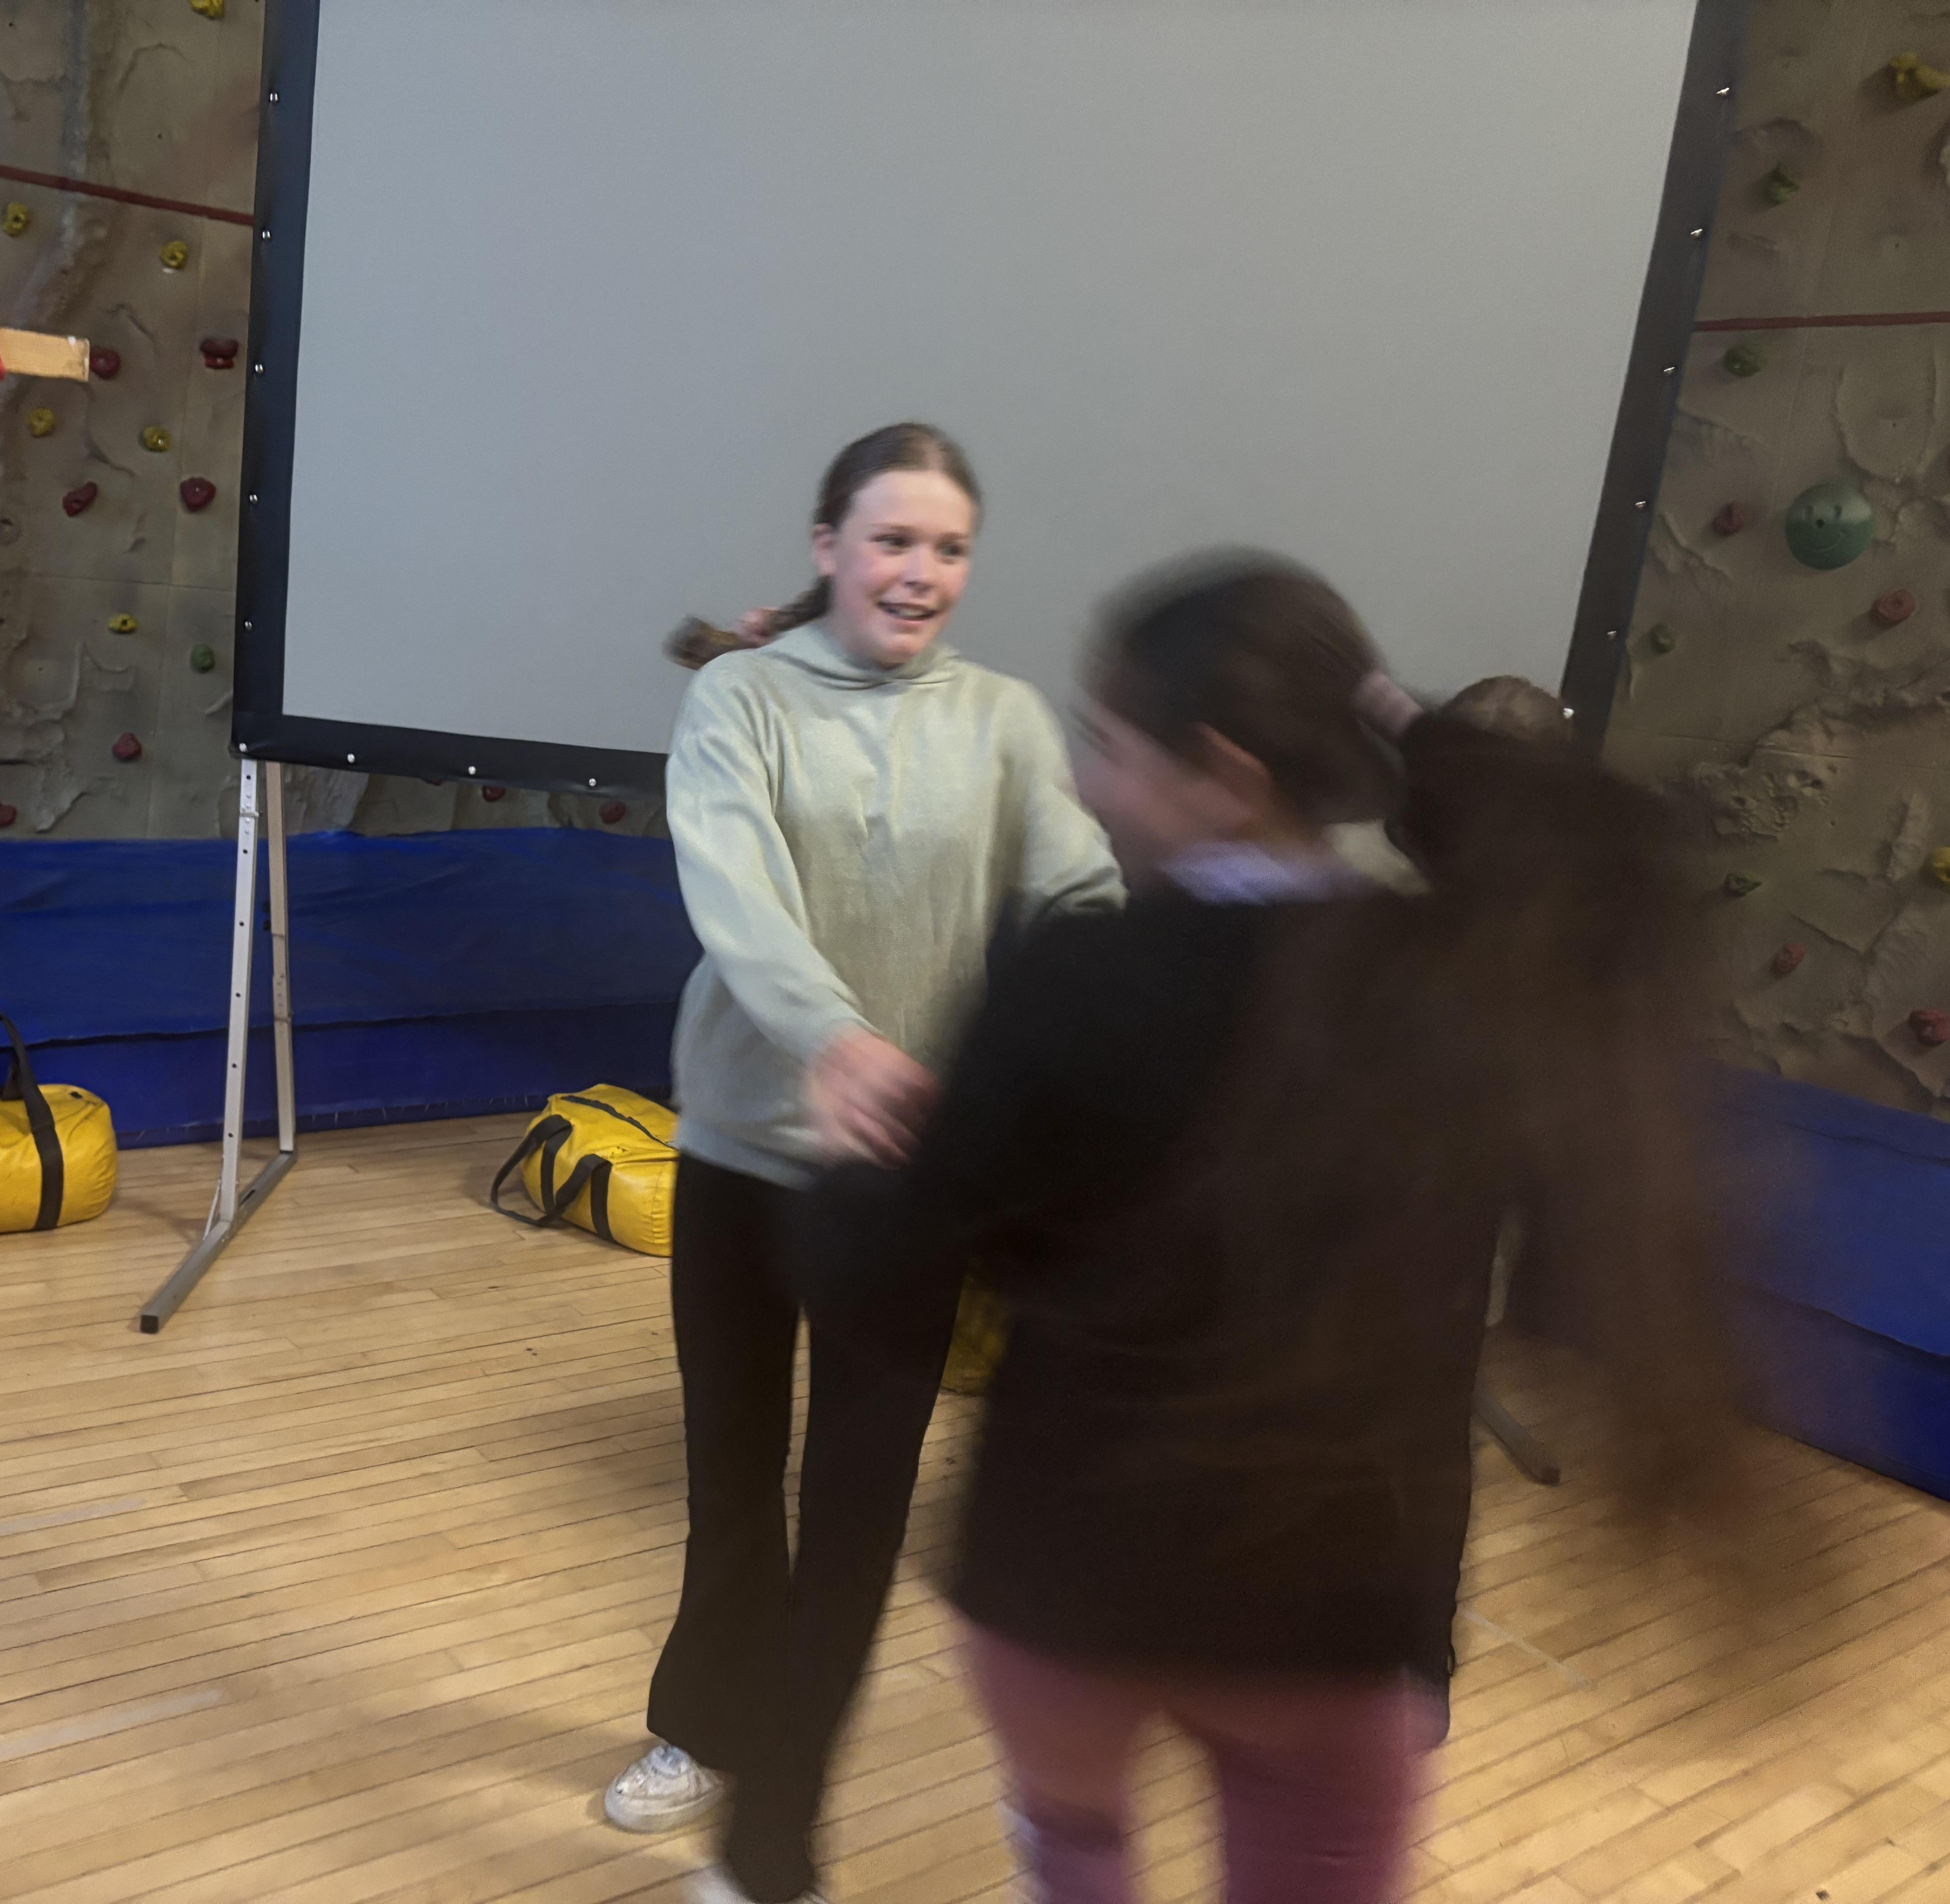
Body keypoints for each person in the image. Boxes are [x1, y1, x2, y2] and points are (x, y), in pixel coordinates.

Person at [870, 554, 1741, 1903]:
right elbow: (1619, 889)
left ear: (1223, 772)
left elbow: (905, 1264)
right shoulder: (1461, 991)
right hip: (1343, 1608)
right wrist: (1392, 716)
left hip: (1067, 1581)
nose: (1090, 784)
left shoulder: (1075, 975)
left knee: (1078, 1845)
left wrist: (893, 1171)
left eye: (1110, 745)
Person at [607, 423, 1124, 1904]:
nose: (921, 572)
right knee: (731, 1473)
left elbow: (1079, 894)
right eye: (894, 540)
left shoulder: (1006, 722)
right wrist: (834, 1040)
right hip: (741, 1151)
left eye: (949, 548)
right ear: (830, 545)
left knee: (857, 1512)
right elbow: (736, 892)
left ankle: (780, 1831)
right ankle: (705, 1726)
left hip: (911, 1184)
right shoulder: (741, 696)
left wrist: (1103, 1006)